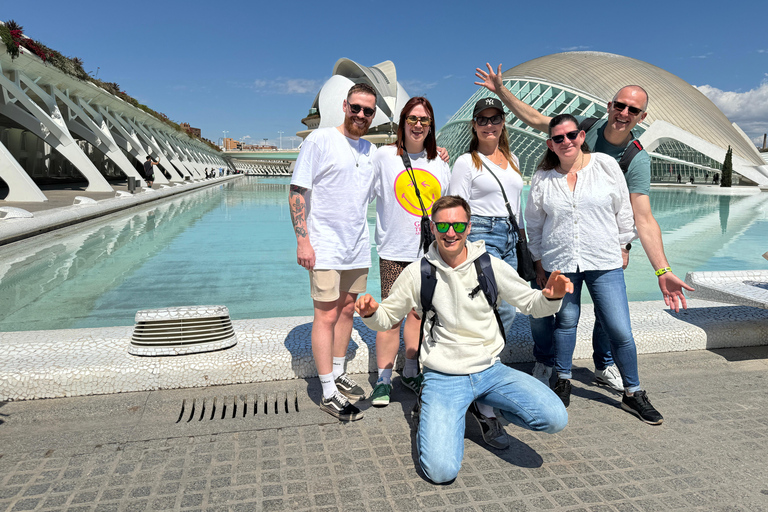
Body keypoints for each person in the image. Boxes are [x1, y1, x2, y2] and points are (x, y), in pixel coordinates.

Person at [475, 63, 693, 391]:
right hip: (560, 245)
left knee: (610, 313)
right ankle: (548, 362)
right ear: (609, 106)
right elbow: (535, 119)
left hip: (601, 245)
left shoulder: (635, 159)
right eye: (619, 105)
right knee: (555, 314)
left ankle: (604, 364)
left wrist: (658, 267)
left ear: (641, 116)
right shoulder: (583, 128)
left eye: (632, 109)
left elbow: (641, 217)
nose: (623, 113)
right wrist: (500, 91)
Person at [355, 195, 572, 484]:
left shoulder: (489, 266)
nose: (451, 232)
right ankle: (435, 411)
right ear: (432, 228)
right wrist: (371, 313)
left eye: (458, 225)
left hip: (490, 370)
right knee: (442, 472)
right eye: (443, 226)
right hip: (443, 376)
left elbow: (531, 303)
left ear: (469, 228)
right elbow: (387, 318)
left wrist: (552, 297)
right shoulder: (417, 273)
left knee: (555, 417)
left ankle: (477, 405)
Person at [525, 114, 663, 425]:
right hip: (560, 261)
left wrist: (624, 245)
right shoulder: (543, 178)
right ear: (550, 144)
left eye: (571, 135)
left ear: (582, 135)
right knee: (566, 322)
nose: (566, 142)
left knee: (618, 328)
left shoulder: (605, 165)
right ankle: (563, 379)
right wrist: (539, 263)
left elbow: (623, 211)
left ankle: (633, 392)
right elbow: (534, 224)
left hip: (603, 260)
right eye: (558, 138)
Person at [289, 83, 379, 421]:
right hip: (325, 247)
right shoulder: (320, 140)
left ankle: (338, 372)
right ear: (344, 105)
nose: (360, 115)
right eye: (356, 107)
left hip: (356, 247)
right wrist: (303, 241)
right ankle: (327, 391)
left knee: (346, 311)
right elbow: (297, 191)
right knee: (325, 315)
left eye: (367, 111)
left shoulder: (371, 150)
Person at [448, 97, 529, 447]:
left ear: (502, 123)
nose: (489, 124)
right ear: (474, 125)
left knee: (499, 312)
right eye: (482, 119)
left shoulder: (511, 159)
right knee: (501, 310)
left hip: (511, 237)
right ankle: (483, 403)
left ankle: (477, 382)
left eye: (495, 118)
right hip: (481, 234)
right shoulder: (467, 162)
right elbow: (455, 208)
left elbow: (519, 205)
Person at [368, 97, 451, 408]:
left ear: (431, 127)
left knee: (418, 314)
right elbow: (361, 193)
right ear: (402, 122)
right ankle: (383, 379)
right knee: (390, 316)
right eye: (413, 119)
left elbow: (448, 211)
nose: (418, 125)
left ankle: (412, 371)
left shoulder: (440, 163)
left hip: (428, 254)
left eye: (425, 121)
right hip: (394, 251)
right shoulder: (384, 156)